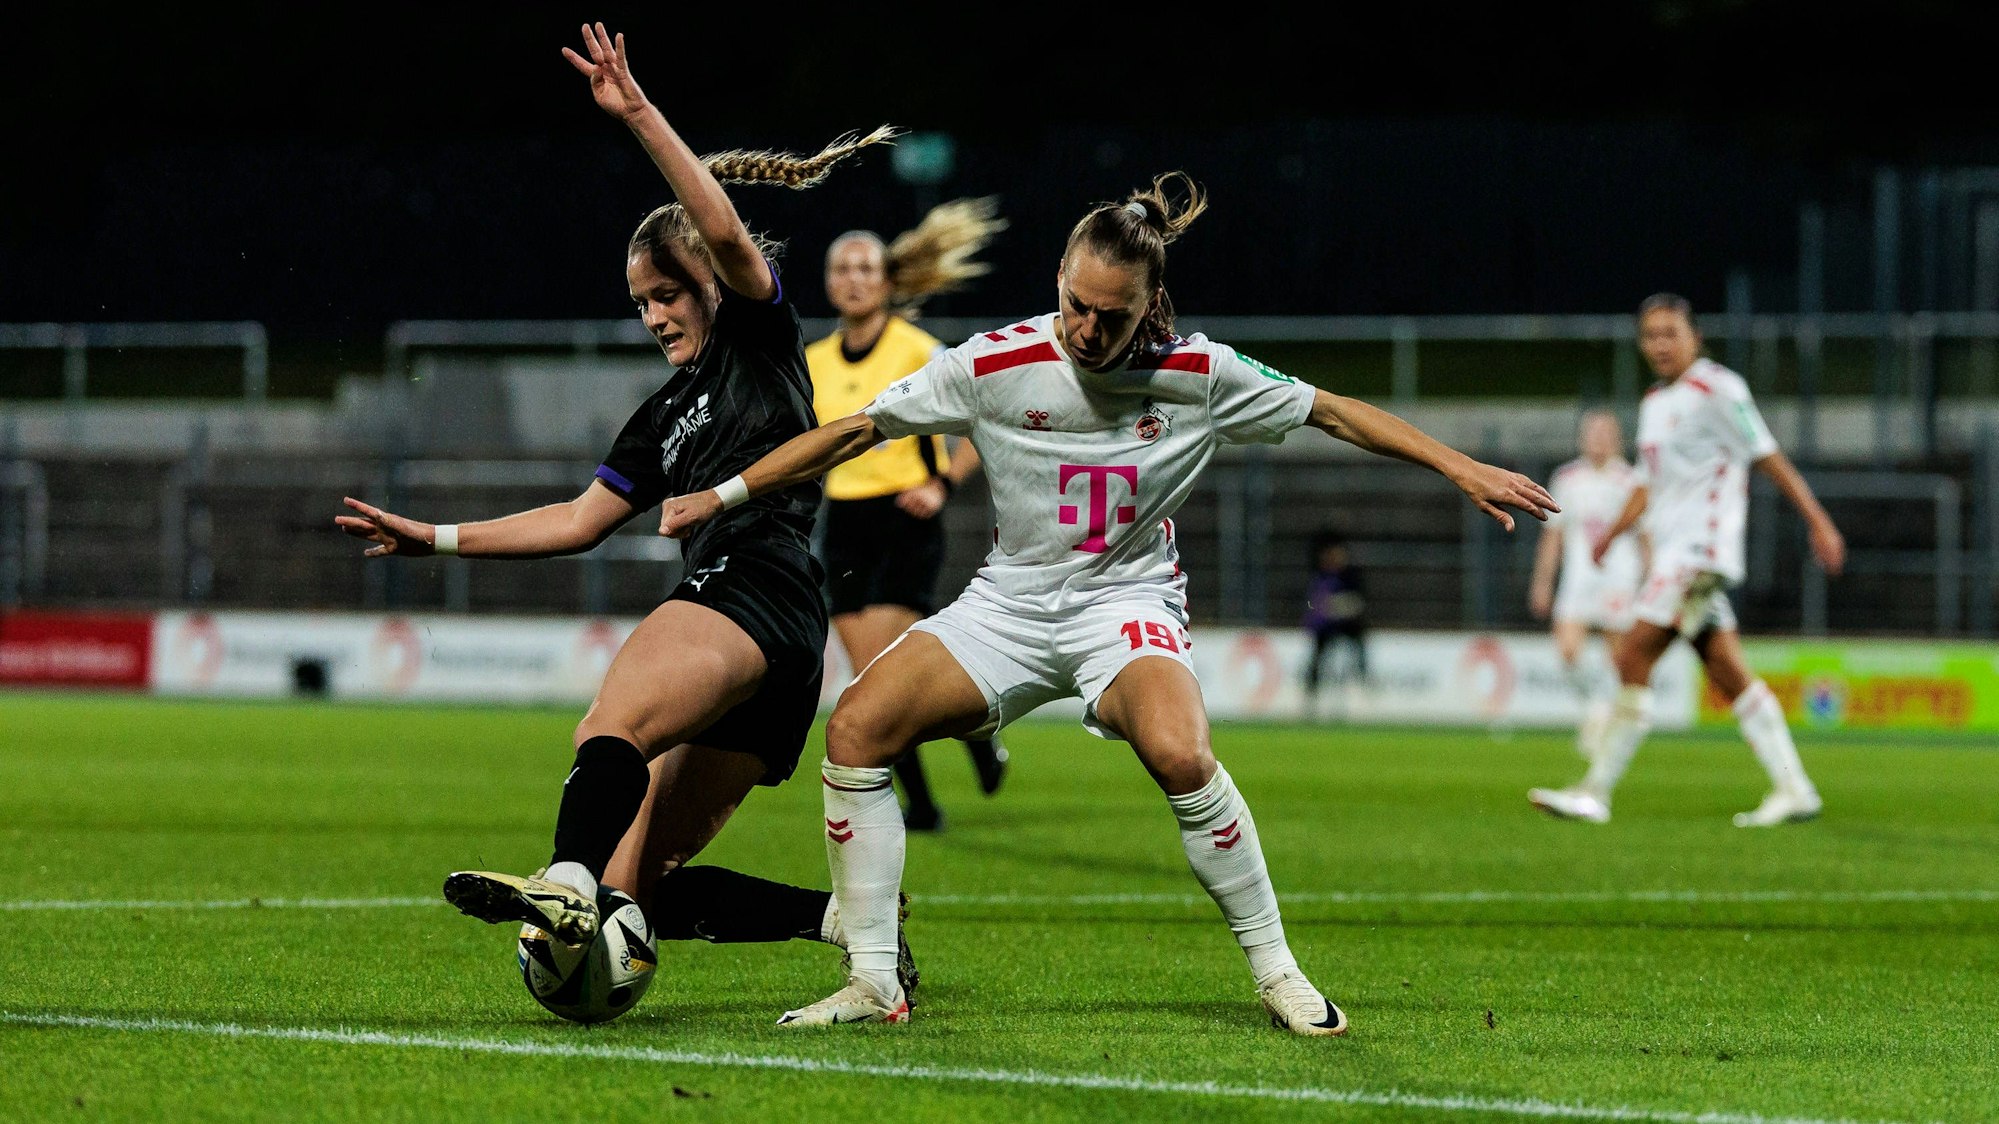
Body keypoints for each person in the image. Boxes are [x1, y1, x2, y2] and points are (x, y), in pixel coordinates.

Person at [659, 174, 1557, 1032]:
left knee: (1178, 750)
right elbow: (853, 430)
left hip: (1123, 605)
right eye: (1074, 306)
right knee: (854, 730)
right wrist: (725, 494)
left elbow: (1332, 412)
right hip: (1005, 607)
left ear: (1151, 303)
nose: (1087, 330)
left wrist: (1459, 465)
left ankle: (1279, 971)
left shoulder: (1202, 373)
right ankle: (873, 979)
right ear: (1058, 281)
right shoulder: (995, 362)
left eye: (1111, 314)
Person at [334, 24, 914, 996]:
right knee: (642, 883)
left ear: (707, 287)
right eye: (639, 302)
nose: (653, 317)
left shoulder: (758, 337)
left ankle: (560, 880)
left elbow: (724, 230)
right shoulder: (659, 416)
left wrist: (637, 113)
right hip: (781, 639)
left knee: (608, 726)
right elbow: (574, 520)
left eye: (665, 294)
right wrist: (431, 537)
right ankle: (853, 922)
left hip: (752, 581)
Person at [1529, 294, 1845, 827]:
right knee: (1729, 672)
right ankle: (1795, 789)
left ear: (1695, 336)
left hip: (1701, 552)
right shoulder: (1655, 404)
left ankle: (1594, 791)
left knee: (1632, 657)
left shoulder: (1719, 389)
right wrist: (1610, 534)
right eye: (1649, 335)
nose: (1659, 344)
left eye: (1669, 333)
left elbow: (1768, 457)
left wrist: (1818, 519)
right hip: (1675, 554)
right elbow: (1648, 486)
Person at [810, 203, 1009, 831]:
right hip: (842, 523)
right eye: (842, 268)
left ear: (887, 281)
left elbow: (984, 422)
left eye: (865, 267)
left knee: (884, 674)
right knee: (875, 680)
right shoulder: (814, 361)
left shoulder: (918, 350)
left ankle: (928, 798)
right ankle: (965, 752)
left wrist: (942, 484)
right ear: (828, 282)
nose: (853, 278)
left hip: (904, 520)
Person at [1527, 410, 1645, 760]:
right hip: (1579, 579)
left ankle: (1603, 719)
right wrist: (1542, 583)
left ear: (1617, 439)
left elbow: (1645, 536)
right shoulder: (1567, 478)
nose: (1598, 439)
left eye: (1605, 433)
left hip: (1619, 577)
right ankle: (1597, 708)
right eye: (1592, 433)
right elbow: (1553, 538)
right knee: (1567, 650)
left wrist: (1651, 579)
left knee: (1617, 656)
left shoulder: (1630, 479)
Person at [1299, 530, 1368, 717]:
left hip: (1347, 626)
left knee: (1356, 651)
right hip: (1326, 628)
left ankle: (1363, 685)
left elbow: (1359, 603)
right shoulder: (1320, 575)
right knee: (1317, 658)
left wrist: (1337, 606)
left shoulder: (1350, 576)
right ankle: (1311, 698)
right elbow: (1312, 603)